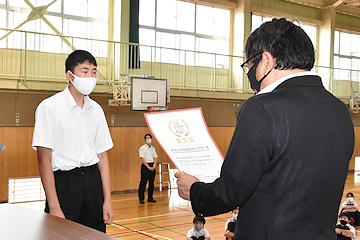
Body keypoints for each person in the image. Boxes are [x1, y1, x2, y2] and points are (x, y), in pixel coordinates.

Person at [175, 18, 355, 239]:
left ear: (267, 61)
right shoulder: (339, 110)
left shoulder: (261, 107)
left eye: (250, 65)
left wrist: (194, 190)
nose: (250, 74)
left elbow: (229, 192)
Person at [32, 50, 114, 232]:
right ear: (70, 75)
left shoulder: (97, 110)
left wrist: (107, 200)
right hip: (65, 184)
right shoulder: (49, 107)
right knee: (62, 236)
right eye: (84, 71)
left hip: (93, 182)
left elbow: (103, 156)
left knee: (95, 236)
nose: (90, 76)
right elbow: (43, 159)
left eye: (94, 72)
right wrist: (54, 206)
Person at [138, 133, 158, 204]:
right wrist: (148, 167)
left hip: (152, 165)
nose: (148, 139)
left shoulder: (153, 148)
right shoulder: (142, 148)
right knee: (143, 183)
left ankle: (150, 198)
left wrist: (154, 166)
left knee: (151, 183)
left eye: (149, 138)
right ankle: (141, 198)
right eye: (147, 138)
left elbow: (155, 157)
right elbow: (142, 158)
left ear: (151, 139)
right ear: (145, 139)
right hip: (145, 166)